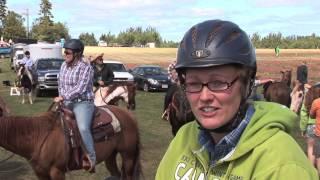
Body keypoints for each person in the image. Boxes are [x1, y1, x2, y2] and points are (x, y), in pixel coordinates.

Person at [156, 19, 317, 179]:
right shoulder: (183, 138)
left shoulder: (284, 166)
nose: (204, 97)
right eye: (193, 83)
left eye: (218, 83)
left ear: (247, 85)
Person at [54, 39, 96, 172]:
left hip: (83, 103)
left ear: (77, 54)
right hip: (66, 101)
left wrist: (63, 97)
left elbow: (80, 88)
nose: (64, 54)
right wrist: (62, 98)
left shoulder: (86, 67)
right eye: (64, 51)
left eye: (67, 52)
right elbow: (60, 83)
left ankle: (91, 157)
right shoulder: (63, 65)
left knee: (83, 128)